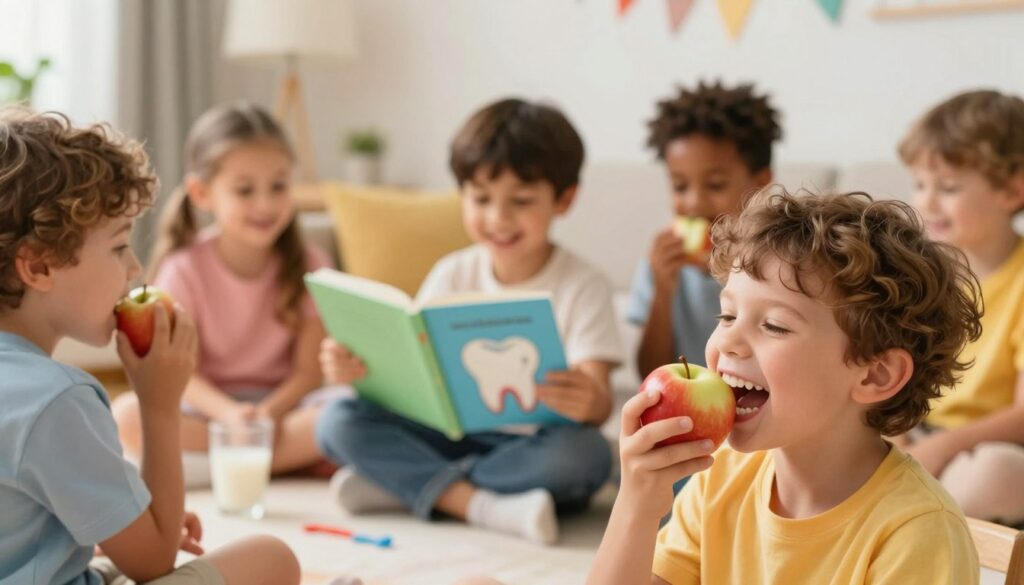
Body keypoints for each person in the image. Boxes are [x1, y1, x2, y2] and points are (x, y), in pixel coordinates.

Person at [589, 189, 982, 584]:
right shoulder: (721, 477)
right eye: (727, 315)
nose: (727, 341)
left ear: (875, 375)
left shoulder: (916, 533)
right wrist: (635, 506)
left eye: (774, 325)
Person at [0, 108, 300, 584]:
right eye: (119, 247)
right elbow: (154, 563)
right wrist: (158, 404)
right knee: (270, 558)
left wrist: (119, 522)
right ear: (38, 267)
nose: (136, 268)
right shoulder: (57, 400)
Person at [316, 98, 623, 544]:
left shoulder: (583, 285)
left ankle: (411, 485)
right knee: (336, 420)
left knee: (587, 455)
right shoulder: (452, 272)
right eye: (481, 198)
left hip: (528, 447)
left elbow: (598, 406)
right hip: (444, 434)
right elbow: (414, 367)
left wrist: (586, 398)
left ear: (564, 199)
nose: (498, 218)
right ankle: (475, 502)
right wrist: (357, 368)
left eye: (521, 200)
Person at [112, 102, 334, 479]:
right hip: (209, 412)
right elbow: (180, 375)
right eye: (245, 190)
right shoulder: (184, 268)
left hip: (284, 411)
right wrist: (230, 416)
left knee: (341, 416)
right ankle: (274, 465)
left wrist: (266, 416)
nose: (265, 204)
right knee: (126, 416)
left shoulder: (312, 263)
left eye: (278, 186)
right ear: (202, 193)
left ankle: (225, 468)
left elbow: (308, 373)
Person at [897, 89, 1024, 525]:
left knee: (997, 473)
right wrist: (898, 435)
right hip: (916, 437)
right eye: (920, 184)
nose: (927, 202)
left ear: (1011, 190)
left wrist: (942, 448)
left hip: (984, 449)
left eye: (948, 187)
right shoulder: (920, 276)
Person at [630, 80, 780, 379]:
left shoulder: (778, 261)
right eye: (680, 186)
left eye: (715, 185)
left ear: (761, 182)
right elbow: (650, 374)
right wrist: (663, 291)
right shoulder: (662, 264)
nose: (694, 203)